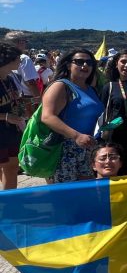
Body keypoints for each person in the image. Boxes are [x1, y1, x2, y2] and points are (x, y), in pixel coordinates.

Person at [41, 49, 104, 183]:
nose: (85, 65)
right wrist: (76, 136)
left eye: (89, 62)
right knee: (68, 193)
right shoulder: (60, 86)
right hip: (66, 150)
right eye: (79, 62)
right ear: (68, 65)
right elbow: (47, 117)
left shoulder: (91, 89)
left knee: (87, 191)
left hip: (89, 148)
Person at [0, 43, 25, 190]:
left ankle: (10, 200)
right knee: (8, 168)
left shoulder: (9, 79)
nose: (20, 61)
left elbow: (14, 101)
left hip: (11, 131)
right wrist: (6, 116)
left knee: (12, 168)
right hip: (3, 130)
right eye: (17, 58)